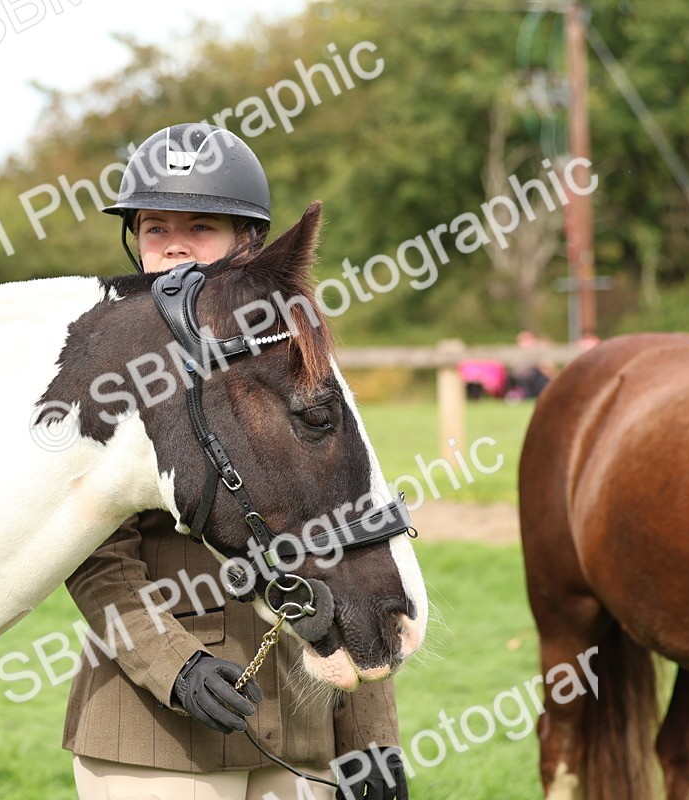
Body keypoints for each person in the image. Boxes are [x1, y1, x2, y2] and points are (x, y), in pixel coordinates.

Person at [61, 123, 408, 800]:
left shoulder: (286, 363)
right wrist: (176, 667)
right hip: (154, 736)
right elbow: (96, 559)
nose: (175, 245)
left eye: (200, 226)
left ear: (249, 242)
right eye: (155, 227)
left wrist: (371, 742)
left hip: (298, 727)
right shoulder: (107, 372)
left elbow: (351, 533)